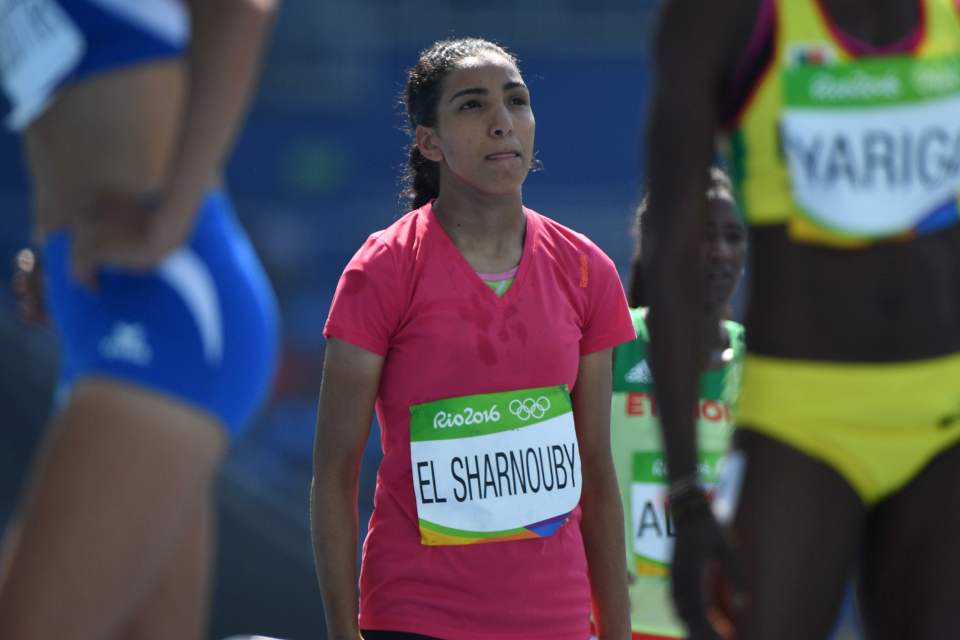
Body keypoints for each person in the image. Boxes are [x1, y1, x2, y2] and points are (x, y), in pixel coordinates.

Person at [644, 0, 960, 639]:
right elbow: (671, 254)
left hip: (948, 413)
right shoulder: (726, 18)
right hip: (800, 421)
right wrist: (686, 493)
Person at [311, 37, 635, 640]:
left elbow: (596, 467)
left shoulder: (588, 271)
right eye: (471, 105)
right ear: (428, 141)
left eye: (516, 100)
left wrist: (616, 632)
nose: (501, 122)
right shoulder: (380, 270)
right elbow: (334, 475)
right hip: (413, 618)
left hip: (557, 623)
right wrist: (341, 631)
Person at [0, 1, 280, 638]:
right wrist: (58, 246)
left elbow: (242, 11)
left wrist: (168, 221)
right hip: (106, 311)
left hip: (170, 310)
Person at [611, 168, 746, 640]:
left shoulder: (762, 366)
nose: (722, 253)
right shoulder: (609, 346)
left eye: (734, 237)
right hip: (607, 625)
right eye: (705, 236)